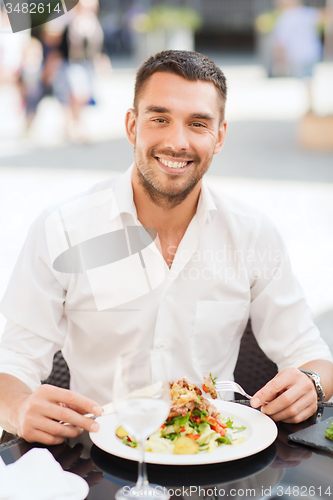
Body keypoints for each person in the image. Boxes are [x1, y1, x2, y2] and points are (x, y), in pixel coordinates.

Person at [0, 50, 332, 445]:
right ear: (131, 125)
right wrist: (18, 408)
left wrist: (310, 384)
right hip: (97, 459)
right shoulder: (63, 229)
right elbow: (13, 362)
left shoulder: (253, 234)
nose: (177, 142)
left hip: (214, 454)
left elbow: (312, 356)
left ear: (220, 136)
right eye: (159, 119)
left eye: (197, 124)